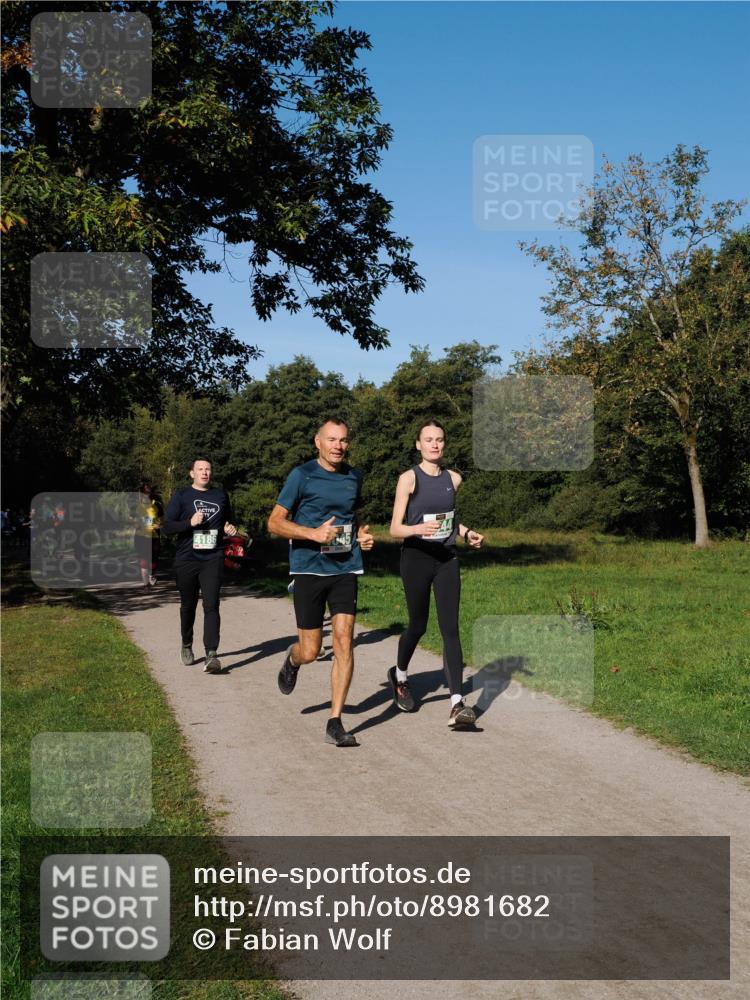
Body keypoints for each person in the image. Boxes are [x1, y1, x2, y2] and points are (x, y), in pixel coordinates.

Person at [267, 419, 374, 747]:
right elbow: (274, 523)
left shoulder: (354, 477)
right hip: (309, 569)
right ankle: (293, 658)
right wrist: (311, 534)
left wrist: (362, 536)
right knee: (312, 650)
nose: (338, 446)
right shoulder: (302, 475)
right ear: (318, 442)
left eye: (343, 440)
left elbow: (356, 516)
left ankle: (335, 721)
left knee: (344, 641)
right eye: (332, 440)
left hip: (345, 567)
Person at [388, 420, 484, 727]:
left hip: (446, 559)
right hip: (416, 557)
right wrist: (417, 529)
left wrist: (467, 533)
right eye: (428, 440)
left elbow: (450, 522)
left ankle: (457, 703)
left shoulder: (453, 479)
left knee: (450, 629)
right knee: (417, 625)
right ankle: (400, 676)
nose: (434, 444)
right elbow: (394, 528)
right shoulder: (408, 479)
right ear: (418, 444)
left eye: (439, 439)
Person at [163, 458, 237, 674]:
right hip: (187, 558)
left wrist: (229, 529)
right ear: (191, 473)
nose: (205, 473)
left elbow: (226, 522)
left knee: (212, 605)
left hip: (212, 557)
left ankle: (211, 653)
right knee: (188, 606)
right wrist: (189, 523)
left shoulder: (220, 495)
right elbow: (167, 527)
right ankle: (187, 644)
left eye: (208, 469)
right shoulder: (182, 496)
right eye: (200, 470)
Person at [133, 483, 162, 588]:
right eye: (144, 492)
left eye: (148, 492)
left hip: (153, 536)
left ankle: (152, 575)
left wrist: (159, 525)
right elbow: (130, 518)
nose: (146, 494)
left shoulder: (157, 505)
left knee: (154, 559)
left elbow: (161, 520)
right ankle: (146, 584)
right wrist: (135, 522)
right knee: (143, 559)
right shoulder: (136, 506)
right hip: (140, 536)